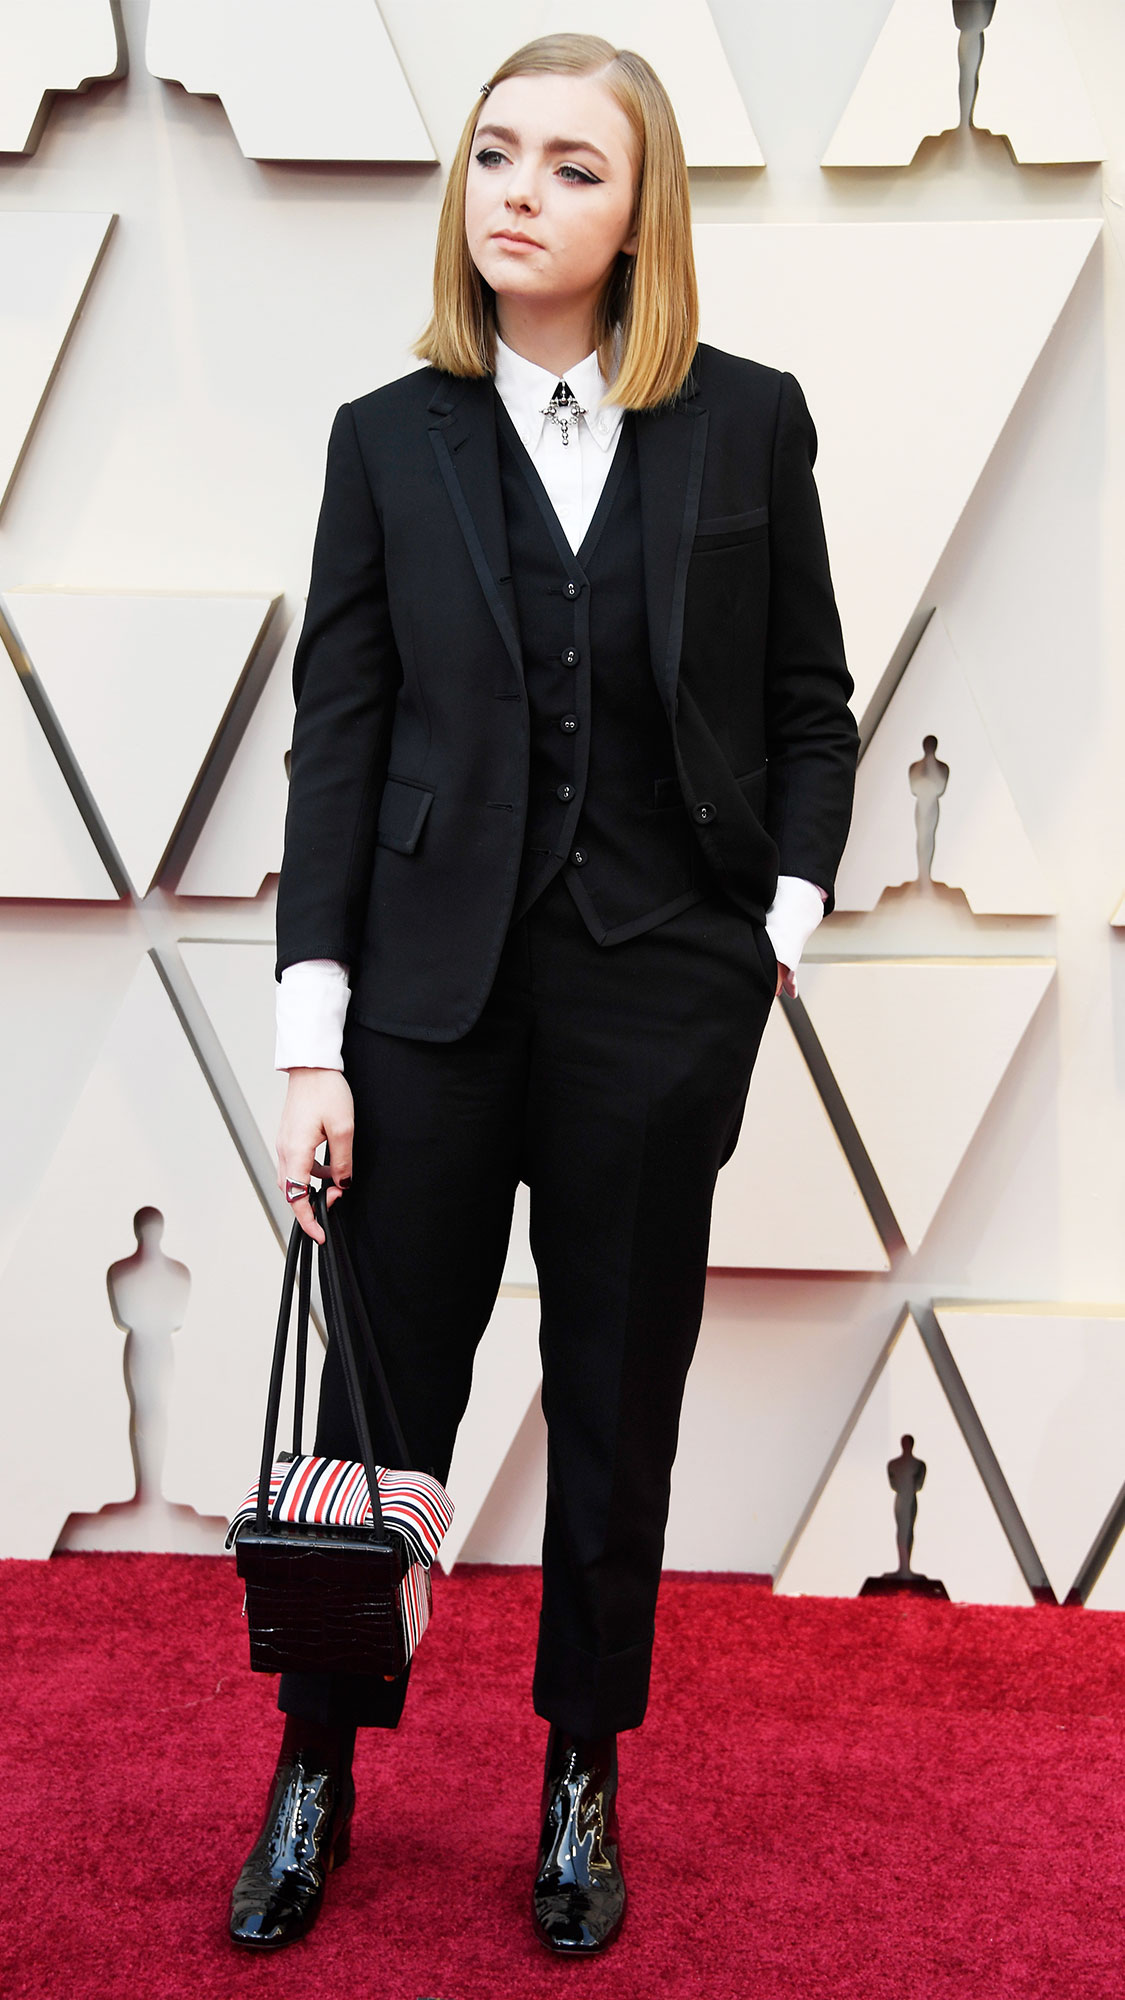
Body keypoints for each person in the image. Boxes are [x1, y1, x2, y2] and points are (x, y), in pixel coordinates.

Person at [228, 31, 859, 1958]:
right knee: (380, 1411)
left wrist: (774, 930)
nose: (518, 190)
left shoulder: (746, 424)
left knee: (613, 1402)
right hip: (425, 1009)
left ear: (640, 212)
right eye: (495, 152)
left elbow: (808, 706)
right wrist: (312, 1039)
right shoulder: (383, 438)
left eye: (573, 165)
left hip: (655, 1002)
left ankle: (581, 1765)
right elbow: (340, 742)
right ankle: (318, 1761)